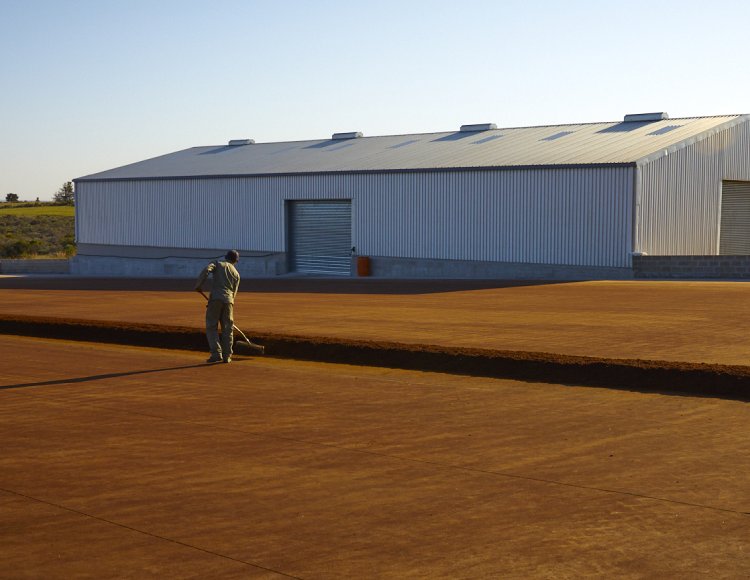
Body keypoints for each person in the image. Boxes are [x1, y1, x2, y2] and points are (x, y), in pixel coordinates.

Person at [195, 250, 241, 363]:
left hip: (216, 298)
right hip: (229, 301)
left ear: (226, 257)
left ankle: (216, 354)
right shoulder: (236, 274)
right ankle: (227, 356)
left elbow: (207, 270)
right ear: (236, 261)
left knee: (211, 326)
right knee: (228, 329)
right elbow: (234, 293)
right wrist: (229, 303)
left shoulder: (217, 263)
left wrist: (199, 285)